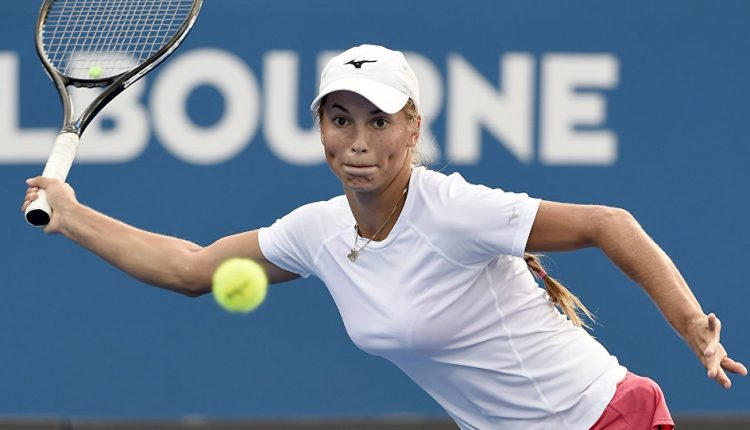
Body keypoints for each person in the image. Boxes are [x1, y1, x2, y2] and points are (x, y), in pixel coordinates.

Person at [23, 44, 746, 430]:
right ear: (320, 129)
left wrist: (693, 326)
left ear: (413, 128)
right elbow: (190, 268)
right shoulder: (317, 231)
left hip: (606, 419)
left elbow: (610, 224)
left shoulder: (455, 210)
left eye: (378, 120)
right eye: (340, 120)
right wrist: (74, 216)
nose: (359, 141)